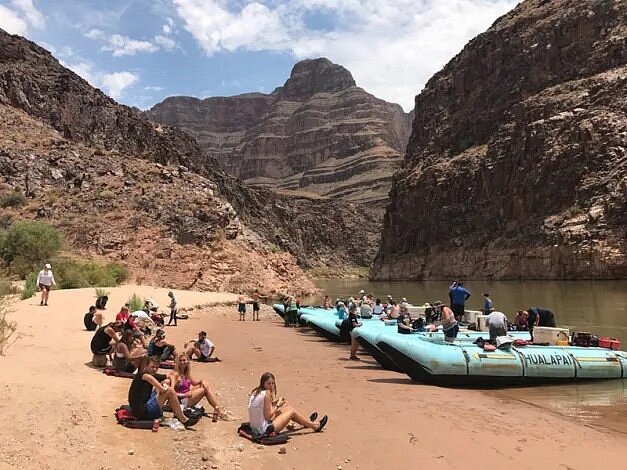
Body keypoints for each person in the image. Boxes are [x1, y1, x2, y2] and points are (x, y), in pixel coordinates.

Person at [248, 372, 327, 438]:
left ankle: (306, 422)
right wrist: (278, 405)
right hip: (264, 430)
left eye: (272, 383)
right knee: (292, 412)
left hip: (255, 428)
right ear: (263, 384)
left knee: (288, 408)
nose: (271, 386)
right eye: (269, 384)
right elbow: (268, 416)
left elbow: (262, 407)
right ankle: (315, 426)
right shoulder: (267, 393)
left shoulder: (257, 392)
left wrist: (276, 403)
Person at [128, 356, 199, 427]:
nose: (154, 369)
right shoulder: (144, 375)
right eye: (152, 367)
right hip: (143, 412)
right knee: (169, 391)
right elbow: (162, 389)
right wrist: (171, 390)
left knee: (167, 383)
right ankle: (184, 419)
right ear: (146, 366)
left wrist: (171, 385)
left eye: (156, 367)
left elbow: (172, 375)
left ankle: (177, 410)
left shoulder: (151, 374)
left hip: (143, 406)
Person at [169, 353, 226, 419]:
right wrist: (184, 395)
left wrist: (203, 381)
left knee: (205, 385)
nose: (182, 362)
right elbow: (171, 392)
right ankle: (218, 409)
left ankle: (217, 408)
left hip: (187, 396)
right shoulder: (175, 374)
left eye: (184, 360)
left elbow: (194, 382)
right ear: (177, 362)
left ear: (187, 361)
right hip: (181, 400)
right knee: (205, 389)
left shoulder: (186, 373)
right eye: (180, 360)